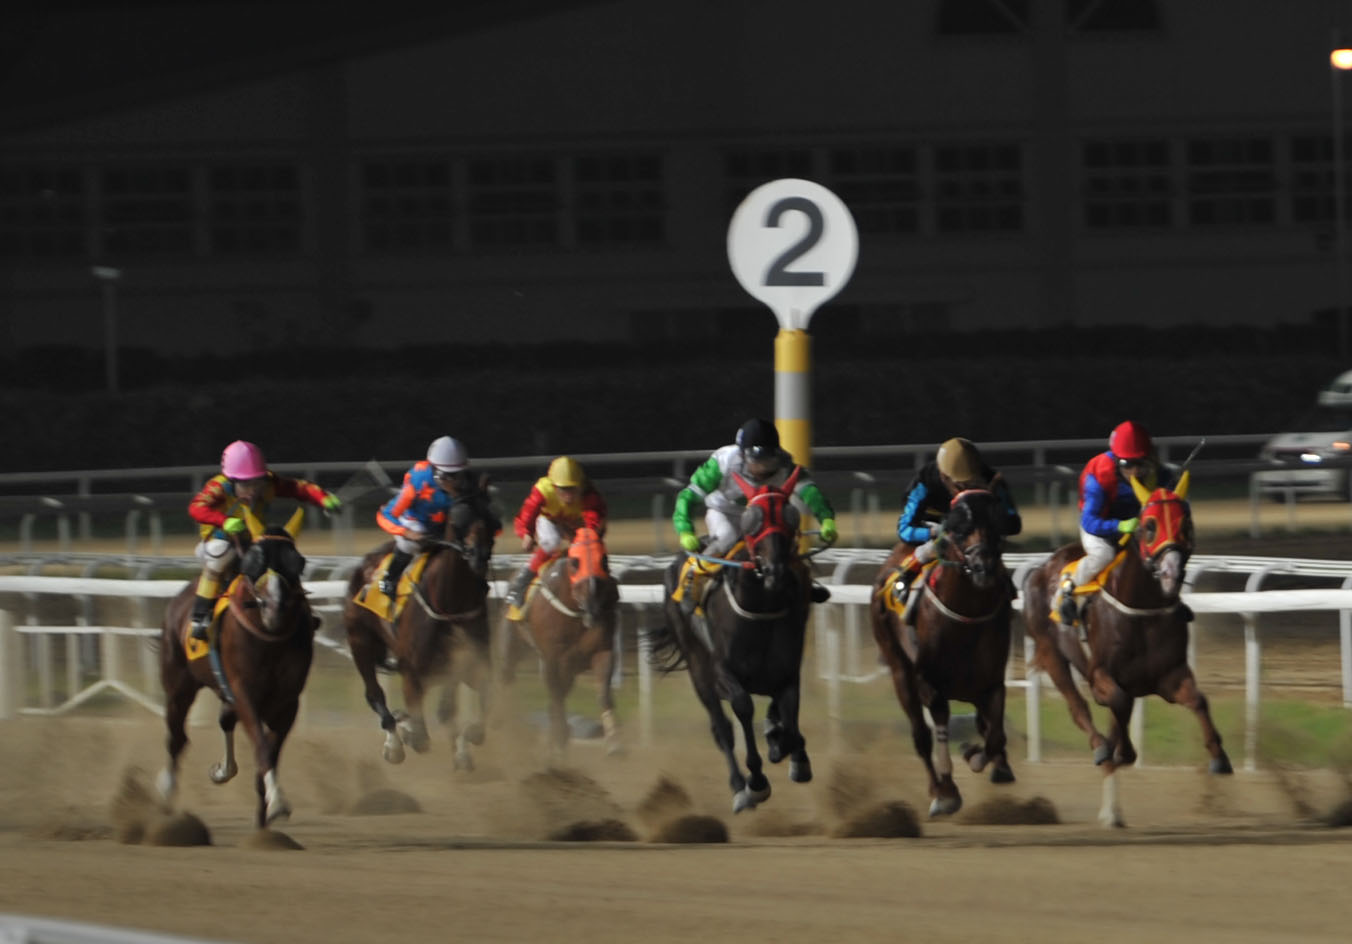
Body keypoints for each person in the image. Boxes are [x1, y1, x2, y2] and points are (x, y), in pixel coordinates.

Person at [672, 418, 837, 604]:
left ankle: (803, 580)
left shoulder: (786, 465)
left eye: (769, 460)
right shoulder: (722, 462)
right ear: (742, 455)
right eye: (756, 460)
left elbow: (811, 494)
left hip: (762, 515)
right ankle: (694, 577)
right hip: (725, 512)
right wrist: (685, 530)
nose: (763, 468)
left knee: (781, 540)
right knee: (727, 536)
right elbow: (687, 496)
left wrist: (826, 519)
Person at [187, 440, 340, 639]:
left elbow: (299, 488)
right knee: (220, 552)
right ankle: (199, 617)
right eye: (246, 484)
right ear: (231, 480)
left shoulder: (270, 482)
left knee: (281, 557)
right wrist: (224, 521)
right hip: (218, 540)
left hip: (253, 539)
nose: (253, 490)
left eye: (257, 482)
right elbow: (196, 508)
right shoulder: (218, 487)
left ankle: (304, 611)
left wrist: (322, 498)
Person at [1049, 419, 1165, 629]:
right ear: (1117, 460)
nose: (1135, 471)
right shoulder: (1099, 476)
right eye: (1127, 465)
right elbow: (1089, 522)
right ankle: (1067, 589)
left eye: (1140, 463)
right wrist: (1120, 526)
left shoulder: (1156, 472)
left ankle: (1170, 602)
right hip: (1099, 526)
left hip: (1137, 525)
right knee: (1103, 555)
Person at [891, 436, 1022, 604]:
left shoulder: (991, 478)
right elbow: (904, 530)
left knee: (985, 547)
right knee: (938, 544)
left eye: (972, 481)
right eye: (959, 484)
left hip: (972, 528)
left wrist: (993, 522)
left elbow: (1014, 524)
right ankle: (906, 576)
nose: (966, 488)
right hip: (933, 523)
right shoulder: (925, 481)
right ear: (943, 476)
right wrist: (935, 532)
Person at [375, 436, 475, 597]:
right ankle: (390, 578)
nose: (454, 482)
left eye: (458, 475)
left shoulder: (470, 482)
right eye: (447, 476)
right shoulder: (418, 480)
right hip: (418, 525)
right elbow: (385, 515)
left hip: (448, 526)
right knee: (410, 542)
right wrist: (408, 533)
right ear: (434, 470)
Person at [504, 456, 608, 608]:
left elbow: (593, 520)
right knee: (551, 543)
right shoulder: (543, 490)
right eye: (563, 489)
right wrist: (527, 533)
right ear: (554, 486)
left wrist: (588, 537)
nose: (569, 495)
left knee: (590, 549)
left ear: (581, 486)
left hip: (576, 524)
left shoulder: (590, 495)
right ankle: (522, 581)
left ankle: (601, 586)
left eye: (573, 489)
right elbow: (529, 512)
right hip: (550, 520)